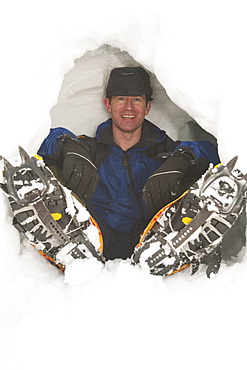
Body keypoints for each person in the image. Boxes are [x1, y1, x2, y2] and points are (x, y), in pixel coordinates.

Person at [38, 67, 220, 260]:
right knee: (55, 166)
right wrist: (67, 145)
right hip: (96, 241)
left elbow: (213, 153)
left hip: (156, 240)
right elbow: (39, 139)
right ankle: (59, 226)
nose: (129, 107)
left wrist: (183, 160)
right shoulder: (90, 149)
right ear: (108, 104)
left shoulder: (166, 151)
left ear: (147, 106)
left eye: (137, 99)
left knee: (198, 176)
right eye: (121, 99)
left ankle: (186, 232)